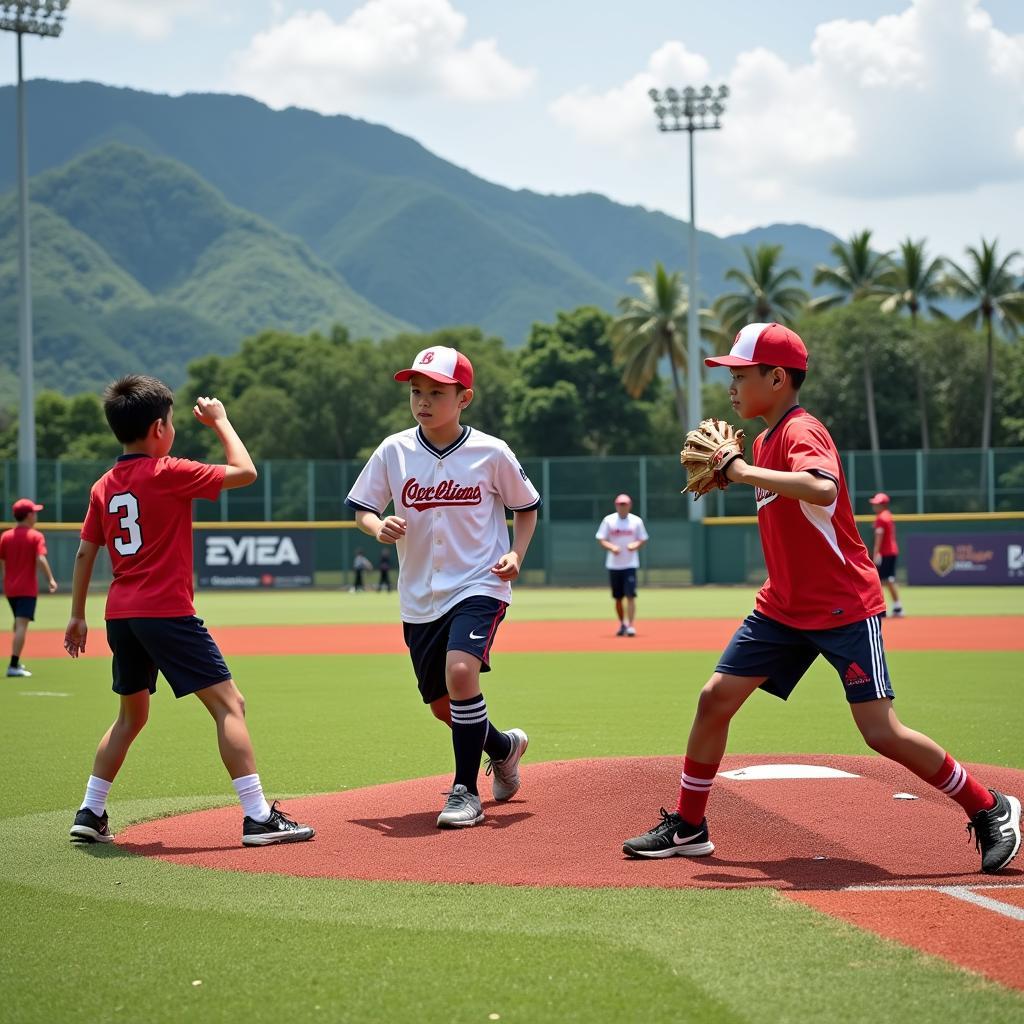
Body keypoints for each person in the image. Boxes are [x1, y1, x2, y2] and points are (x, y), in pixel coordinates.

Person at [622, 323, 1020, 874]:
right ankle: (689, 827)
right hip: (782, 607)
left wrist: (740, 473)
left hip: (842, 607)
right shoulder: (761, 441)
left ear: (777, 377)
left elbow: (822, 487)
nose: (730, 387)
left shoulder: (801, 430)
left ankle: (990, 807)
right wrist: (745, 467)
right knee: (714, 699)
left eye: (740, 375)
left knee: (881, 731)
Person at [64, 375, 314, 848]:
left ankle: (91, 810)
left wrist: (76, 615)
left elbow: (84, 552)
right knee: (229, 705)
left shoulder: (103, 485)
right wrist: (221, 422)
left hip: (121, 615)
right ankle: (258, 817)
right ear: (159, 428)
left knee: (130, 717)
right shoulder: (168, 471)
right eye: (173, 423)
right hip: (167, 612)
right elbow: (245, 472)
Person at [346, 346, 540, 829]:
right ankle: (503, 747)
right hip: (419, 597)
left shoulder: (491, 452)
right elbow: (362, 508)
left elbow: (527, 505)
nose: (423, 400)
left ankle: (464, 791)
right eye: (416, 391)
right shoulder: (394, 450)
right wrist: (376, 527)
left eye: (437, 391)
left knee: (460, 674)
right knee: (442, 707)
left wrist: (517, 553)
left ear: (464, 397)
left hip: (479, 584)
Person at [0, 498, 58, 678]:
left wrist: (6, 580)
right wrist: (50, 579)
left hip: (10, 588)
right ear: (28, 515)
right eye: (34, 512)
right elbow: (40, 559)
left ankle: (16, 660)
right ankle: (13, 664)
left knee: (18, 624)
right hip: (26, 589)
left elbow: (3, 561)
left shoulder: (6, 536)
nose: (36, 515)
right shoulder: (35, 536)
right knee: (22, 625)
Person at [596, 494, 648, 636]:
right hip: (614, 565)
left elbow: (643, 539)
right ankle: (622, 624)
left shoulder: (636, 521)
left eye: (625, 504)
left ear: (629, 505)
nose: (622, 506)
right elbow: (601, 538)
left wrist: (635, 545)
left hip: (630, 564)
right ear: (616, 505)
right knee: (618, 598)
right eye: (620, 504)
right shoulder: (609, 520)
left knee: (630, 595)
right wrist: (611, 547)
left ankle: (631, 625)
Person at [870, 492, 904, 617]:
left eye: (877, 503)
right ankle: (897, 607)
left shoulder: (881, 517)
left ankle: (882, 609)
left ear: (884, 504)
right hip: (891, 551)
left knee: (879, 580)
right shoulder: (888, 515)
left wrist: (876, 553)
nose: (874, 505)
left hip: (885, 553)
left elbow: (879, 535)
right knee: (888, 579)